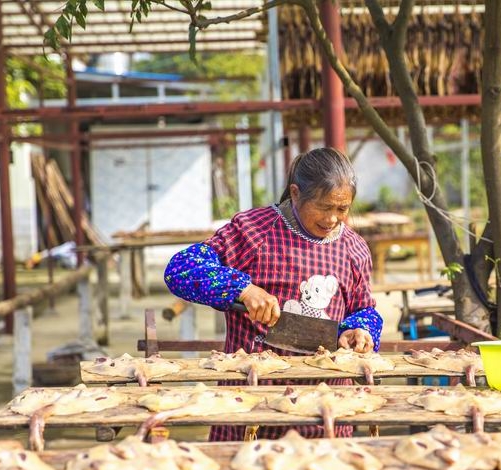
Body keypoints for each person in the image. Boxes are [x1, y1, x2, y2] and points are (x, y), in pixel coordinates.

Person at [164, 147, 383, 440]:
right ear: (295, 193)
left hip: (325, 409)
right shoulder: (253, 231)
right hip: (250, 404)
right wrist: (242, 288)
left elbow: (364, 309)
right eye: (323, 206)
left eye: (342, 210)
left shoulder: (354, 249)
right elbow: (180, 269)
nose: (332, 219)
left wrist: (359, 330)